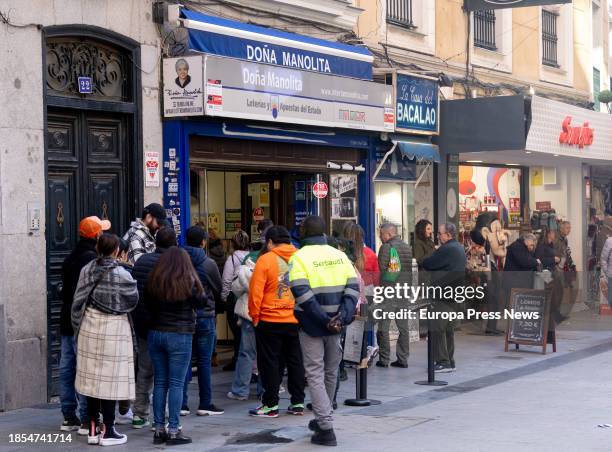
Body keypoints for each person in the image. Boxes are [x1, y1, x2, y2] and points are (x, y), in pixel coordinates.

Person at [289, 216, 359, 447]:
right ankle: (323, 419)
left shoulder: (299, 257)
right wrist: (342, 316)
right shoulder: (339, 255)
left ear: (304, 231)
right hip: (337, 324)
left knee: (315, 373)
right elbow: (353, 286)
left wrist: (323, 318)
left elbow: (301, 291)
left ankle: (326, 426)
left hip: (312, 324)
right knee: (330, 371)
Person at [71, 233, 139, 446]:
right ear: (117, 250)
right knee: (111, 380)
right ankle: (108, 430)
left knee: (92, 380)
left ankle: (92, 427)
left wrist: (77, 327)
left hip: (89, 327)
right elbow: (133, 298)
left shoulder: (86, 270)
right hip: (114, 328)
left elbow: (78, 301)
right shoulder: (122, 274)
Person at [146, 247, 205, 446]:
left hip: (156, 333)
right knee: (176, 383)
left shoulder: (155, 279)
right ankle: (173, 430)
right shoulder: (189, 281)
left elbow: (146, 304)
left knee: (160, 382)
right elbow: (201, 302)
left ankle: (158, 429)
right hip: (179, 334)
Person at [59, 216, 110, 434]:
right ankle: (86, 418)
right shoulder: (92, 261)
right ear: (96, 235)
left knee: (66, 368)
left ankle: (68, 416)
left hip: (65, 321)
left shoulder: (70, 257)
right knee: (84, 370)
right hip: (83, 321)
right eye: (102, 231)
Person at [247, 226, 305, 418]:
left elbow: (256, 292)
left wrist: (255, 316)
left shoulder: (265, 260)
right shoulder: (300, 258)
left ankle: (270, 405)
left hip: (269, 319)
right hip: (295, 318)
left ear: (270, 242)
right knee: (295, 361)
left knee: (270, 363)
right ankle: (298, 402)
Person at [130, 227, 177, 429]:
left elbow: (134, 292)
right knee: (164, 374)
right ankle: (163, 415)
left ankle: (139, 413)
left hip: (142, 325)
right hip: (165, 325)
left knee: (144, 370)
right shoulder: (172, 264)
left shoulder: (141, 261)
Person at [180, 226, 224, 416]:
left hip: (183, 315)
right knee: (205, 361)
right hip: (205, 315)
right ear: (203, 242)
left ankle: (181, 404)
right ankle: (205, 403)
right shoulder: (208, 263)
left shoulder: (178, 262)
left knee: (184, 361)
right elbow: (218, 288)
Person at [422, 223, 467, 373]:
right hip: (454, 294)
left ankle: (443, 361)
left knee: (437, 328)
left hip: (442, 294)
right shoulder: (459, 247)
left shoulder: (446, 249)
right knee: (448, 330)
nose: (438, 236)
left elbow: (428, 263)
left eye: (440, 234)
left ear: (448, 235)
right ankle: (450, 360)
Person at [376, 223, 413, 369]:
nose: (380, 236)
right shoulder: (406, 247)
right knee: (403, 327)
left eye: (381, 234)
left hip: (389, 292)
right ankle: (403, 359)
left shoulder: (386, 247)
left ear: (388, 234)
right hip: (403, 292)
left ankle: (384, 359)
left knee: (383, 327)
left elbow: (382, 269)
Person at [227, 256, 258, 401]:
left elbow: (235, 289)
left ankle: (240, 390)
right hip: (268, 313)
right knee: (267, 354)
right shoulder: (275, 265)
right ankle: (266, 390)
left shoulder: (245, 269)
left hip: (248, 314)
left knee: (246, 353)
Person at [221, 230, 251, 372]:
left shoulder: (232, 259)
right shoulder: (253, 257)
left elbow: (227, 280)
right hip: (250, 299)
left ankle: (238, 360)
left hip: (236, 300)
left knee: (237, 333)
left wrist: (225, 297)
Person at [536, 228, 563, 327]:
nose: (554, 234)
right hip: (545, 272)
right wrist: (553, 259)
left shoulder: (551, 245)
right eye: (552, 233)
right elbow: (539, 259)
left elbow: (554, 257)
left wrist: (557, 260)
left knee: (557, 291)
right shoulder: (542, 246)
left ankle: (555, 313)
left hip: (552, 270)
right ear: (548, 234)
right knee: (552, 291)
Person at [601, 234, 612, 309]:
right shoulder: (609, 241)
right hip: (611, 274)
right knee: (611, 299)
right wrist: (607, 271)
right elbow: (603, 258)